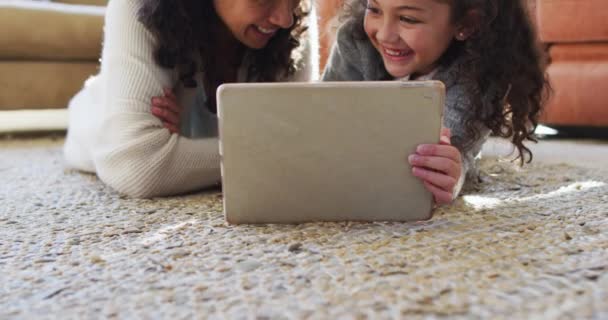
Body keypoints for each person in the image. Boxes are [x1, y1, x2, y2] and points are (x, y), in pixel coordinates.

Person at [63, 0, 317, 198]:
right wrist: (263, 152)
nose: (285, 18)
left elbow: (298, 144)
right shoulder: (140, 6)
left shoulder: (295, 22)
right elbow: (136, 167)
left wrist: (183, 150)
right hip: (94, 121)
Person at [322, 0, 548, 204]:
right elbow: (323, 116)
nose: (384, 34)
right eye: (374, 9)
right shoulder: (354, 39)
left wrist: (453, 176)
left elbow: (457, 155)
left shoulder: (482, 72)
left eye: (408, 18)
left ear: (466, 24)